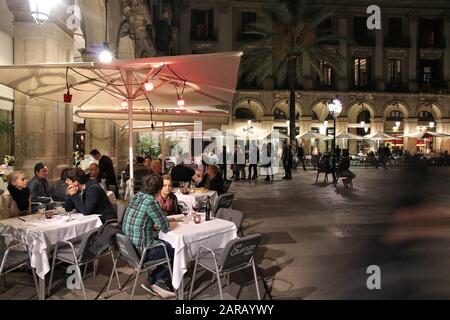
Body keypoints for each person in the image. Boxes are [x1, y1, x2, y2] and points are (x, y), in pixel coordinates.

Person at [122, 174, 177, 298]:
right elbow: (165, 226)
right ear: (158, 189)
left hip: (127, 249)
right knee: (175, 249)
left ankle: (152, 280)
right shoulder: (151, 202)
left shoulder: (136, 197)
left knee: (164, 246)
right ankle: (160, 281)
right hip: (142, 252)